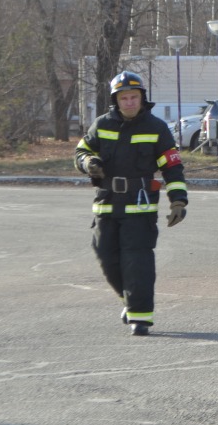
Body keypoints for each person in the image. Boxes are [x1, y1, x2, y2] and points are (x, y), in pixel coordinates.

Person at [75, 71, 189, 336]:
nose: (129, 102)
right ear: (116, 100)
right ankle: (130, 301)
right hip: (106, 206)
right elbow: (82, 151)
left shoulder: (156, 127)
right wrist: (88, 163)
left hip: (141, 209)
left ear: (142, 98)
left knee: (137, 263)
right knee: (106, 258)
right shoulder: (101, 125)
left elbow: (172, 167)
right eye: (124, 98)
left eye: (134, 97)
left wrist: (178, 202)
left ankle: (141, 318)